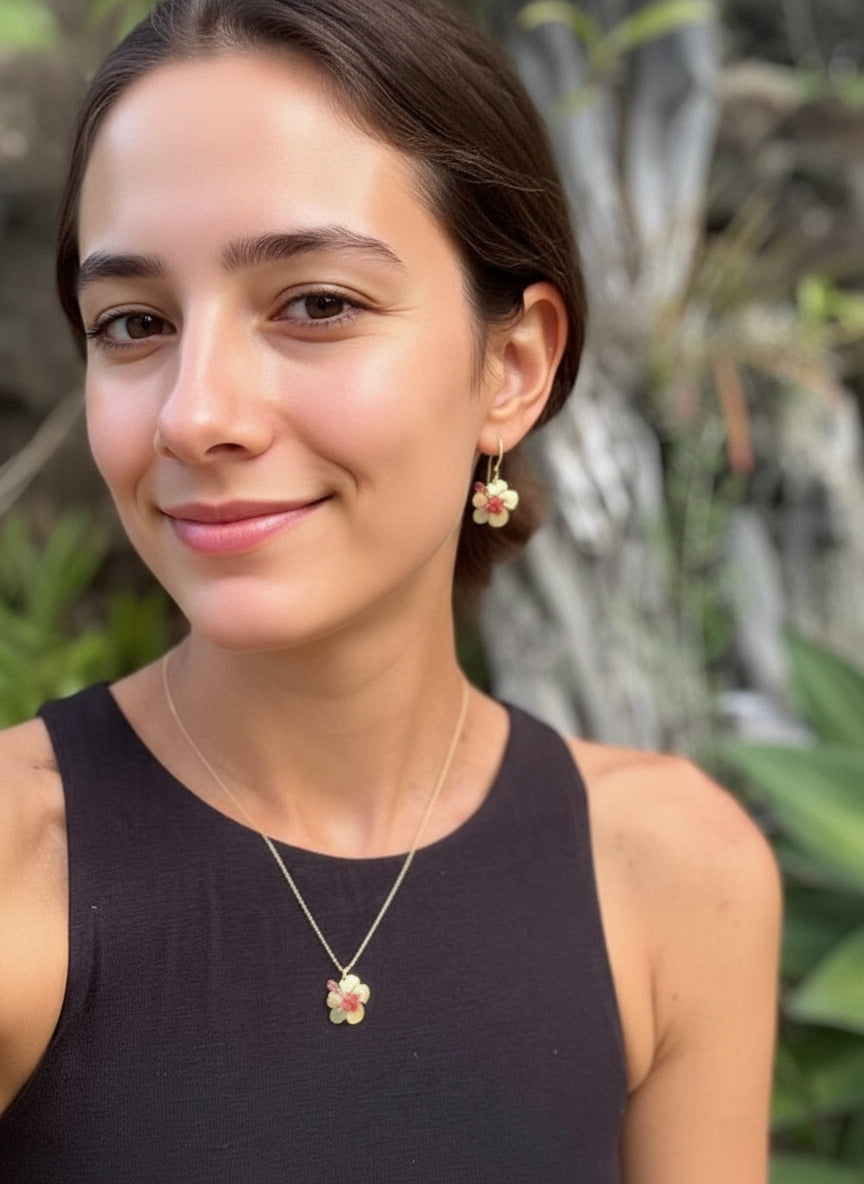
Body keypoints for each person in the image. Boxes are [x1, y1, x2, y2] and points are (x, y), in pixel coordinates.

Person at [0, 0, 781, 1179]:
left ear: (512, 368)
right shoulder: (21, 866)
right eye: (135, 321)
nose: (195, 411)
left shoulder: (675, 875)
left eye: (316, 303)